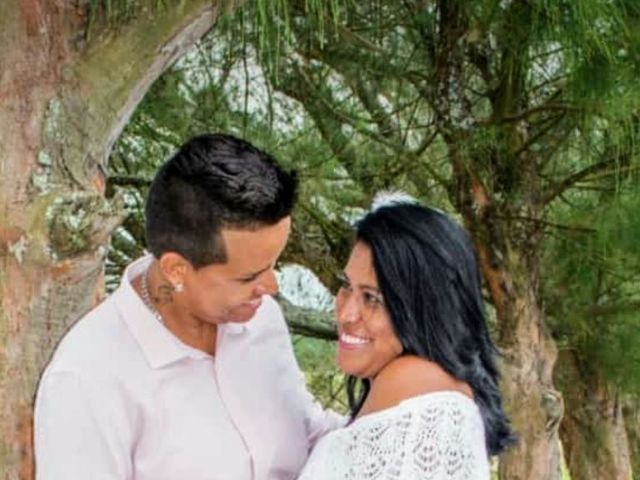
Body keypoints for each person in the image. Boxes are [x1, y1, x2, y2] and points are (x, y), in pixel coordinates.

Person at [34, 133, 343, 480]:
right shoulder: (87, 379)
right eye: (249, 277)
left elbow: (309, 433)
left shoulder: (261, 319)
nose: (272, 287)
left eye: (275, 264)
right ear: (176, 270)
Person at [298, 194, 515, 480]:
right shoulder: (446, 396)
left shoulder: (413, 379)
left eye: (372, 298)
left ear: (424, 309)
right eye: (346, 285)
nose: (346, 314)